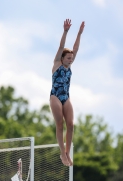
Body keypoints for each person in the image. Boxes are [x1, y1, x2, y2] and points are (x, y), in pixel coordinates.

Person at [50, 19, 85, 166]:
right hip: (55, 96)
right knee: (60, 124)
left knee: (70, 125)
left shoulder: (69, 65)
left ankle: (67, 153)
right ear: (62, 58)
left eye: (72, 58)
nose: (71, 60)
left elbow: (75, 48)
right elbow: (61, 46)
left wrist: (79, 33)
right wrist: (65, 32)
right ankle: (62, 153)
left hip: (66, 97)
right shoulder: (57, 63)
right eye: (68, 58)